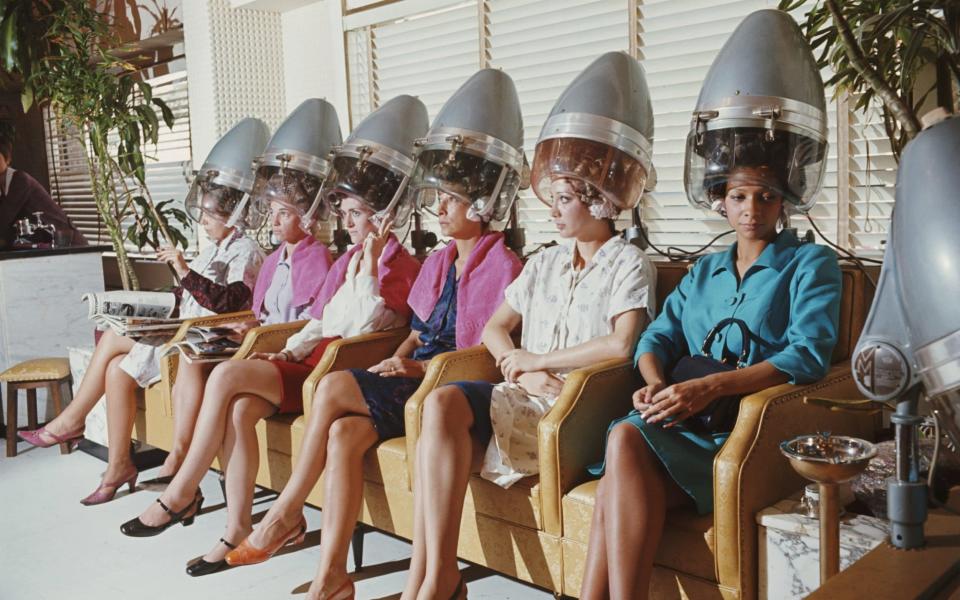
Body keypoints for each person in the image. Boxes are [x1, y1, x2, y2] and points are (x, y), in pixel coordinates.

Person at [224, 72, 527, 600]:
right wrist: (404, 356)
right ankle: (331, 579)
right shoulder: (437, 261)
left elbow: (481, 354)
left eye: (452, 200)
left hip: (445, 388)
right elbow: (417, 329)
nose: (440, 208)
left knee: (332, 387)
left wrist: (417, 368)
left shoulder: (505, 265)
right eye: (440, 198)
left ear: (482, 205)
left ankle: (284, 514)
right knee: (342, 436)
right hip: (413, 375)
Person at [579, 12, 840, 598]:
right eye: (739, 195)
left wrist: (714, 387)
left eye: (766, 196)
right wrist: (650, 384)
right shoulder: (705, 271)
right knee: (626, 435)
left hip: (745, 433)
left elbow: (809, 355)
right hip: (680, 419)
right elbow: (655, 341)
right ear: (721, 201)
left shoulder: (811, 265)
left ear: (784, 201)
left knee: (623, 443)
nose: (752, 209)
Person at [118, 97, 423, 583]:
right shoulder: (346, 261)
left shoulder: (400, 266)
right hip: (312, 359)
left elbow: (368, 322)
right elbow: (320, 320)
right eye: (342, 212)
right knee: (238, 408)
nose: (345, 222)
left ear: (382, 216)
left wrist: (371, 261)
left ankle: (182, 491)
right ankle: (236, 527)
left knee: (226, 375)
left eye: (355, 213)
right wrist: (289, 347)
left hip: (338, 370)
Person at [402, 52, 658, 600]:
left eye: (566, 200)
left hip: (582, 406)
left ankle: (432, 586)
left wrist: (539, 362)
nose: (555, 211)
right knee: (439, 405)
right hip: (524, 394)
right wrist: (514, 363)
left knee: (447, 425)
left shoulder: (630, 264)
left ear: (601, 200)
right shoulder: (544, 261)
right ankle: (436, 578)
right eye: (555, 198)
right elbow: (497, 327)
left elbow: (622, 343)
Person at [17, 118, 271, 505]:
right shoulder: (212, 248)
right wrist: (146, 304)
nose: (201, 221)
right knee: (117, 370)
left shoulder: (246, 251)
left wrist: (184, 270)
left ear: (231, 214)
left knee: (115, 346)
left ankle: (72, 421)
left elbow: (230, 301)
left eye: (208, 214)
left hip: (202, 332)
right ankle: (117, 464)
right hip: (182, 323)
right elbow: (185, 292)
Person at [0, 131, 86, 249]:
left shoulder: (20, 179)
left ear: (8, 159)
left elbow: (4, 219)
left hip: (66, 242)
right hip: (48, 245)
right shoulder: (4, 185)